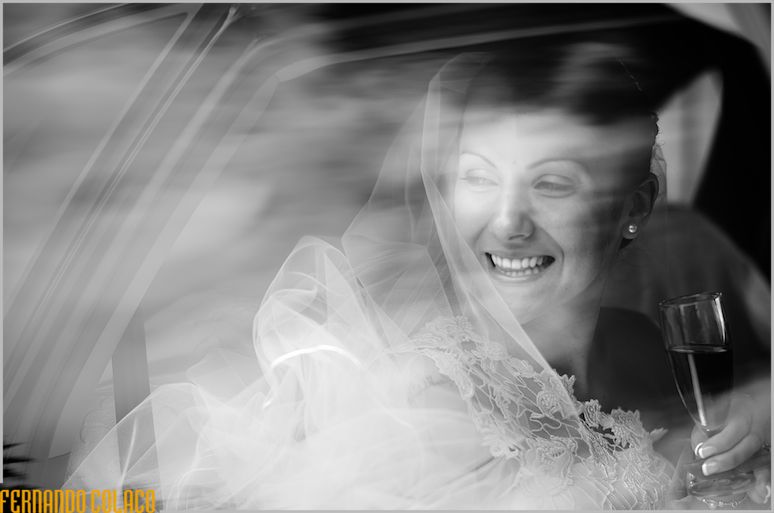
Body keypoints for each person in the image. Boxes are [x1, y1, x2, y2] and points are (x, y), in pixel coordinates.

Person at [63, 37, 770, 509]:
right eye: (478, 177)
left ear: (634, 206)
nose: (508, 222)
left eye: (552, 183)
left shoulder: (642, 344)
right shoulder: (414, 410)